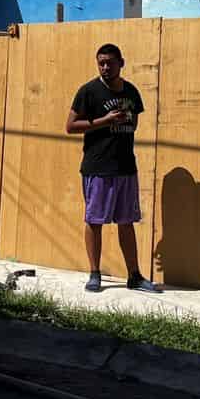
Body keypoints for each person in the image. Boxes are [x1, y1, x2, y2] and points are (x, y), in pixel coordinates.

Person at [66, 43, 155, 293]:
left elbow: (134, 122)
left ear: (121, 63)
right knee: (95, 221)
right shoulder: (89, 91)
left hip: (126, 167)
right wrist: (104, 121)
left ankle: (134, 276)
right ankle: (95, 274)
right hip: (98, 167)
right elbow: (70, 126)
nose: (105, 67)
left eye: (110, 63)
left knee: (126, 222)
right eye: (101, 63)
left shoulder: (131, 93)